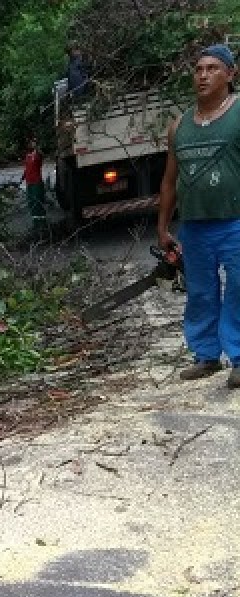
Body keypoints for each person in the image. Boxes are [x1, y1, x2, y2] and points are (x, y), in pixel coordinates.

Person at [158, 43, 240, 388]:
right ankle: (206, 355)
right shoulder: (180, 126)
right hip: (194, 225)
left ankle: (238, 356)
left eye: (212, 68)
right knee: (202, 292)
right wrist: (163, 227)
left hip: (235, 220)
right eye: (198, 69)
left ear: (230, 74)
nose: (203, 75)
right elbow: (169, 180)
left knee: (238, 287)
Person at [20, 136, 47, 229]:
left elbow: (40, 156)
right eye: (30, 142)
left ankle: (43, 224)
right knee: (31, 203)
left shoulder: (38, 155)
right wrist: (22, 178)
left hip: (37, 183)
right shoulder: (27, 156)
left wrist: (37, 148)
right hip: (29, 183)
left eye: (33, 142)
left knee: (38, 203)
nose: (31, 144)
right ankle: (35, 224)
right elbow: (27, 168)